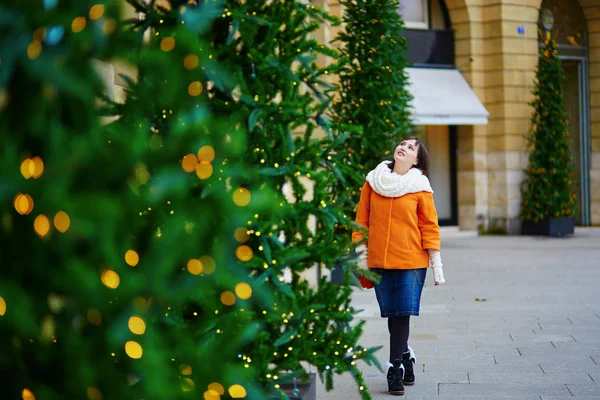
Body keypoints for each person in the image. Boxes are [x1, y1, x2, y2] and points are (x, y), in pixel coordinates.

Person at [352, 137, 445, 396]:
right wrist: (361, 258)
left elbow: (429, 225)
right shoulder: (373, 182)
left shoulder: (420, 186)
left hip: (411, 261)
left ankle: (395, 369)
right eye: (402, 143)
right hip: (380, 260)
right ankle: (405, 355)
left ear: (416, 160)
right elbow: (361, 222)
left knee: (402, 313)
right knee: (392, 315)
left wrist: (436, 263)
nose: (403, 147)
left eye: (411, 147)